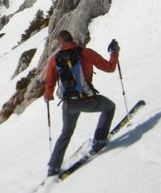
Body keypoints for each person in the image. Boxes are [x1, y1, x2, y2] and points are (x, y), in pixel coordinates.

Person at [44, 30, 120, 177]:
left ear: (62, 43)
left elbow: (50, 82)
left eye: (58, 44)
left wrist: (48, 95)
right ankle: (99, 140)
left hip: (68, 105)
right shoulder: (86, 53)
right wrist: (114, 53)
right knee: (109, 107)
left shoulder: (55, 59)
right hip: (87, 100)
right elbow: (110, 68)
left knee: (66, 133)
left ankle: (53, 167)